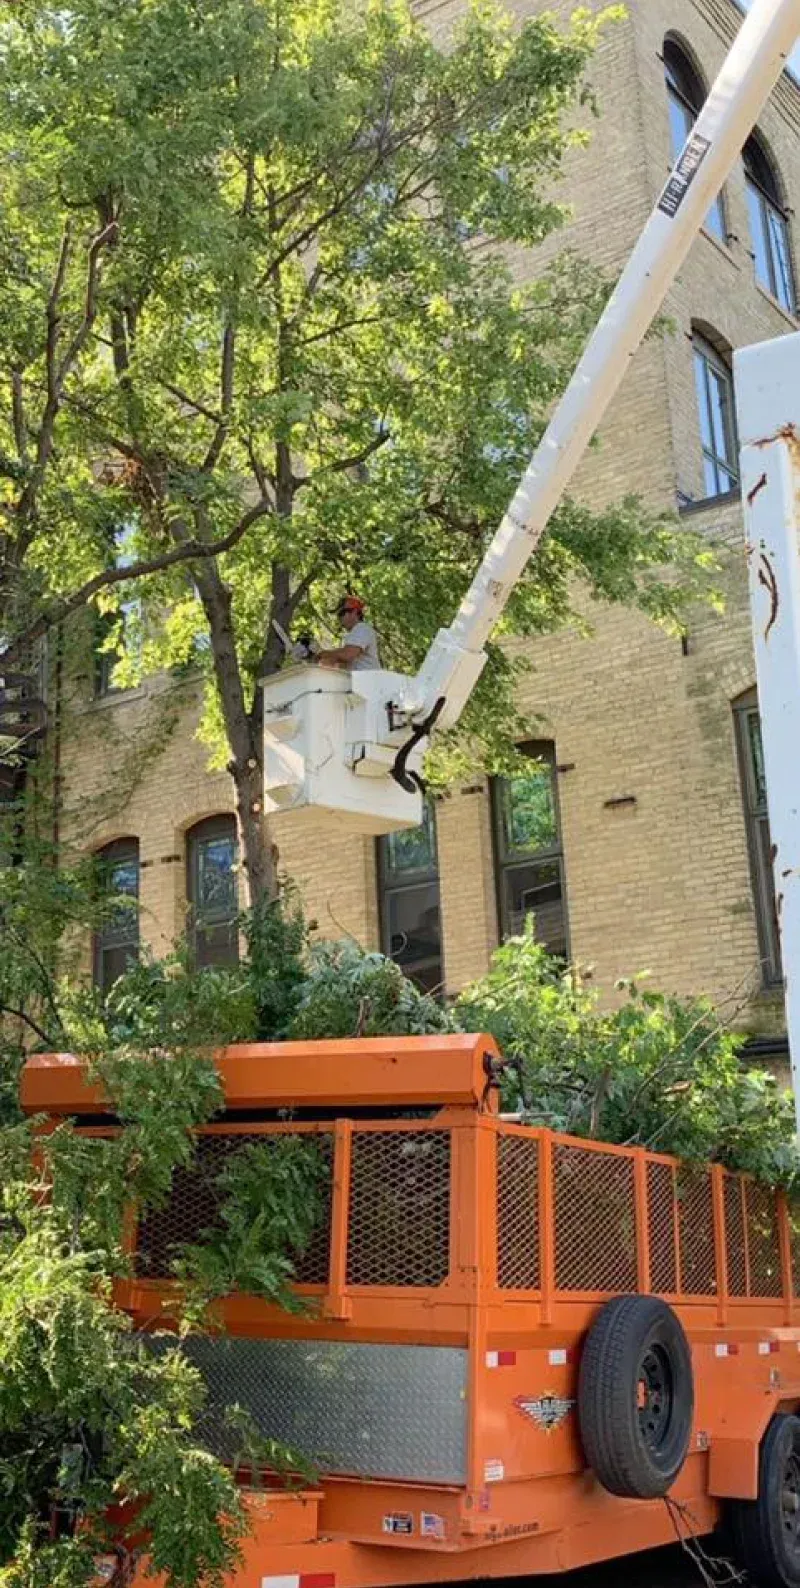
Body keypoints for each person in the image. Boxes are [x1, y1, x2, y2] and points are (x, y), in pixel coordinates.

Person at [295, 595, 381, 671]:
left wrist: (321, 654)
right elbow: (338, 663)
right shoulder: (352, 636)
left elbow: (347, 654)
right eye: (338, 615)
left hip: (369, 681)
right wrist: (313, 657)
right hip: (359, 681)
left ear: (355, 612)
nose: (340, 618)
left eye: (342, 613)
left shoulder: (362, 628)